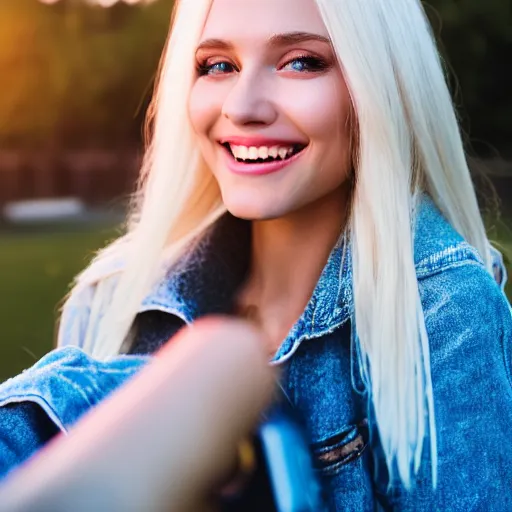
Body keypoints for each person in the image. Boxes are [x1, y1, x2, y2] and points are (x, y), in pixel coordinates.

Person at [0, 0, 511, 509]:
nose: (243, 108)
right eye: (217, 66)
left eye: (302, 62)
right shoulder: (112, 295)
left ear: (383, 83)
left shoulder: (445, 311)